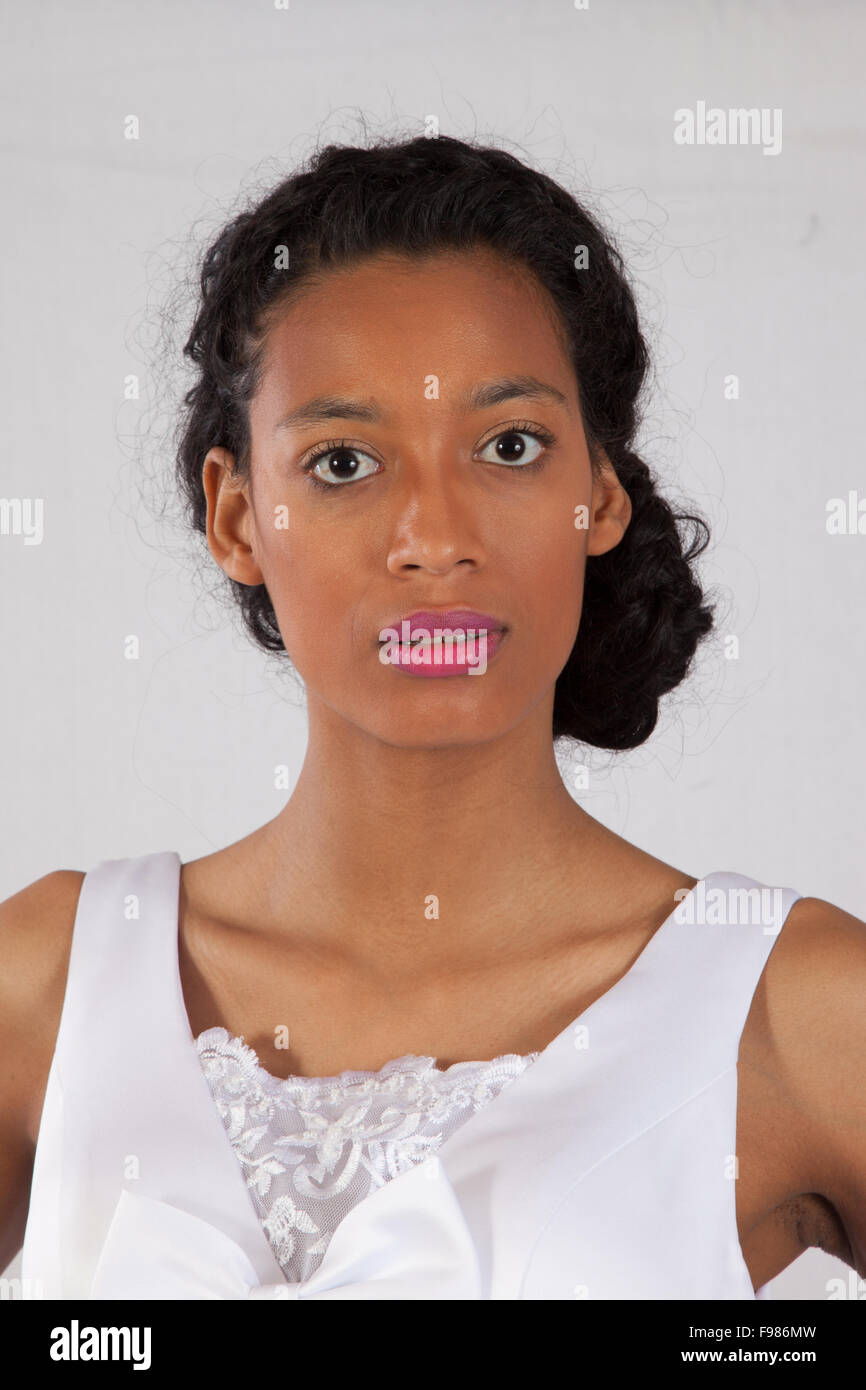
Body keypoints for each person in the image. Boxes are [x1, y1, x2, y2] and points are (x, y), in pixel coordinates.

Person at [2, 133, 864, 1300]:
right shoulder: (44, 988)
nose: (434, 537)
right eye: (345, 462)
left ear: (596, 493)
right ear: (237, 514)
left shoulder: (801, 1015)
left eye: (509, 447)